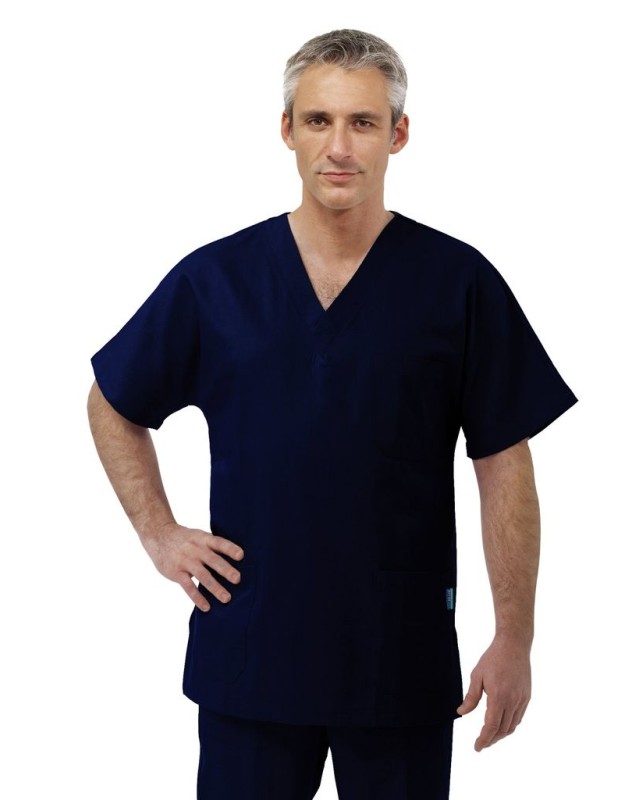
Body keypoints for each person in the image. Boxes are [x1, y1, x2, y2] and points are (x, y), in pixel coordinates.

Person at [87, 28, 578, 800]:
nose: (339, 147)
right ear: (287, 130)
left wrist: (514, 637)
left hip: (398, 661)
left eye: (363, 122)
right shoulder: (216, 281)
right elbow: (113, 402)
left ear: (398, 134)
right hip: (253, 656)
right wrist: (159, 532)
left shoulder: (457, 284)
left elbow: (504, 464)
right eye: (318, 120)